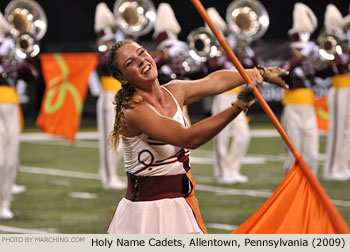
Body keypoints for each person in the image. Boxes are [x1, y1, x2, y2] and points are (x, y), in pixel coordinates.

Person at [105, 39, 288, 234]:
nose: (141, 60)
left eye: (141, 53)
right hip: (148, 212)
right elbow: (189, 139)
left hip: (181, 202)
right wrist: (239, 106)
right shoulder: (133, 111)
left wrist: (257, 73)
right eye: (130, 62)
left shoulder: (174, 90)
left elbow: (214, 81)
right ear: (122, 78)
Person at [206, 7, 260, 184]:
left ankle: (233, 169)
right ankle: (223, 173)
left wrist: (245, 49)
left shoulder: (235, 48)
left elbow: (254, 65)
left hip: (237, 96)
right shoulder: (213, 49)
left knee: (244, 135)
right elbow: (213, 66)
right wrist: (226, 50)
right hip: (221, 95)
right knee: (222, 135)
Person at [0, 13, 39, 219]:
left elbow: (32, 77)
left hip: (10, 103)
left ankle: (4, 201)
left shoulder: (10, 52)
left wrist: (19, 59)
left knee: (9, 157)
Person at [279, 3, 320, 175]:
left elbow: (328, 71)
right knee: (294, 151)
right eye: (299, 50)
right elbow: (283, 74)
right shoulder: (287, 64)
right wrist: (302, 57)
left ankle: (312, 181)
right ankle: (292, 181)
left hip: (309, 108)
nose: (302, 53)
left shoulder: (311, 65)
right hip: (292, 109)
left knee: (312, 150)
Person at [94, 2, 126, 189]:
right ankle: (108, 176)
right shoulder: (104, 52)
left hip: (123, 96)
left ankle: (109, 171)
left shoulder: (118, 48)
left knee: (123, 141)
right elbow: (103, 64)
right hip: (109, 96)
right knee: (110, 140)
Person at [321, 4, 350, 181]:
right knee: (338, 129)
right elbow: (334, 64)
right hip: (340, 88)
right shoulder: (334, 41)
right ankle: (331, 169)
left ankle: (344, 164)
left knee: (348, 130)